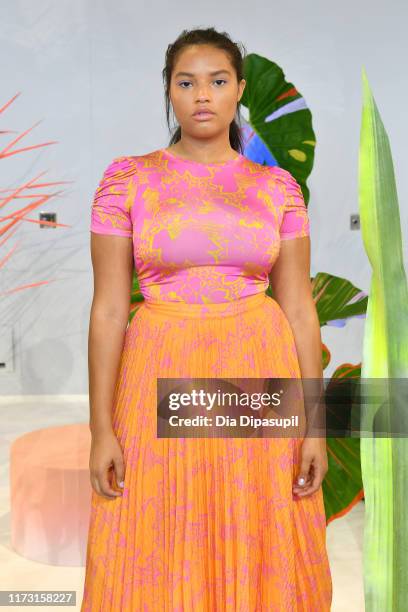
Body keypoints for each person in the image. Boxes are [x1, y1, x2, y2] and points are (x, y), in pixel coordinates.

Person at [81, 27, 333, 611]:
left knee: (257, 518)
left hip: (259, 372)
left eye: (218, 82)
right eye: (186, 82)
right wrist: (101, 429)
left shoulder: (278, 189)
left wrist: (315, 426)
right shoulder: (129, 180)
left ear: (239, 91)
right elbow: (110, 308)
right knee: (158, 521)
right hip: (158, 374)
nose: (202, 95)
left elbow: (298, 307)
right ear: (168, 92)